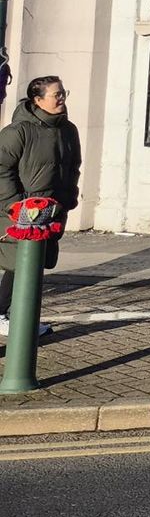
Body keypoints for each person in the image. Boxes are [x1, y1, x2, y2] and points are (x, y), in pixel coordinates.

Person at [0, 75, 83, 341]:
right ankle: (10, 318)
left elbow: (73, 167)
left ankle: (17, 318)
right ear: (37, 100)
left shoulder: (68, 129)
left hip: (52, 212)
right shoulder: (18, 132)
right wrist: (15, 204)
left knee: (31, 267)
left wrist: (70, 197)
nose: (62, 98)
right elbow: (1, 168)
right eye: (56, 94)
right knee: (19, 265)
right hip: (22, 213)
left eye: (63, 93)